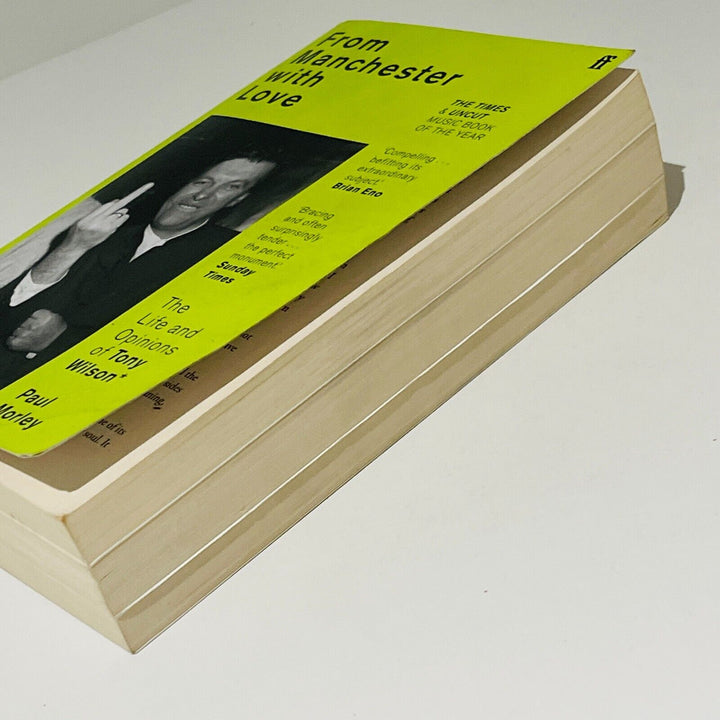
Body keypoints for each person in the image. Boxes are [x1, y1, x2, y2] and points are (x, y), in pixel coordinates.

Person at [0, 156, 275, 388]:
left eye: (230, 187)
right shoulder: (99, 230)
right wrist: (74, 245)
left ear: (239, 199)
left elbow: (173, 356)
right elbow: (9, 313)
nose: (203, 195)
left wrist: (60, 340)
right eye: (202, 182)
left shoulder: (227, 256)